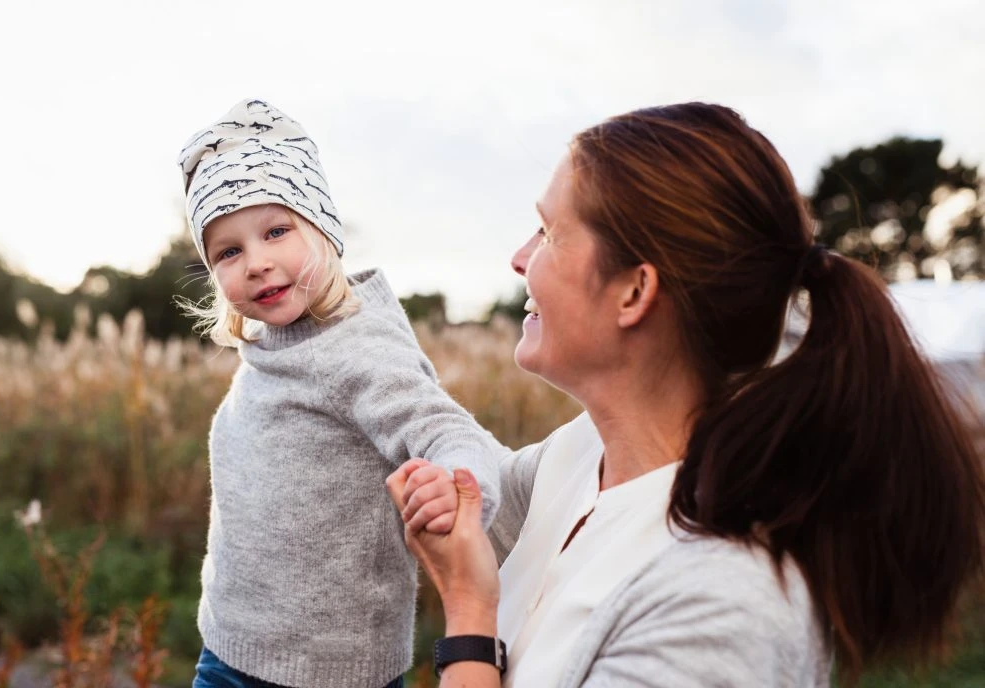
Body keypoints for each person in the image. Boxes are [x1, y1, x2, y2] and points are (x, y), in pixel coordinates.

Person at [390, 102, 985, 687]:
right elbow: (475, 493)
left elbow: (472, 561)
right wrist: (353, 334)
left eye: (548, 232)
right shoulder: (583, 455)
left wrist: (469, 615)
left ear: (634, 293)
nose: (520, 260)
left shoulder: (727, 609)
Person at [177, 99, 503, 688]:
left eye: (277, 230)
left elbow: (449, 432)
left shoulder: (356, 346)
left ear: (324, 228)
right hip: (227, 651)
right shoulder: (275, 343)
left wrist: (457, 489)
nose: (257, 262)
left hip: (329, 673)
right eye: (228, 251)